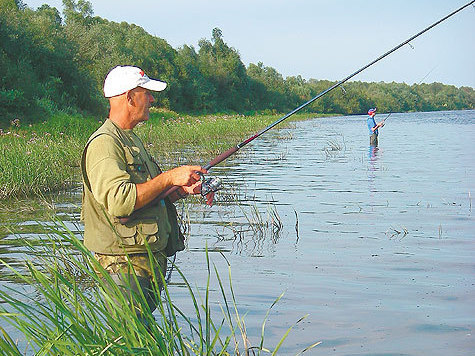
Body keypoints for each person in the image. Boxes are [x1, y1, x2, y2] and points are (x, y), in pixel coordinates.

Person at [80, 65, 215, 317]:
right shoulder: (104, 143)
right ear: (130, 98)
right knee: (132, 341)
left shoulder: (129, 139)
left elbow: (145, 195)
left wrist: (180, 189)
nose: (152, 99)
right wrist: (168, 177)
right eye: (146, 93)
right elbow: (120, 201)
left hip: (142, 263)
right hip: (123, 266)